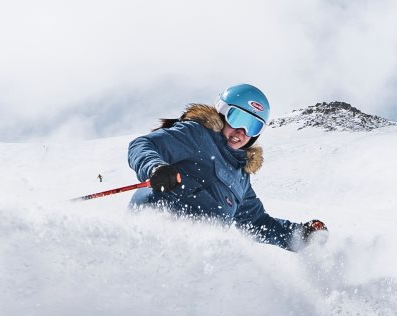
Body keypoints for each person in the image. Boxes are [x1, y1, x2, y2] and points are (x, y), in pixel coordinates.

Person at [127, 83, 327, 250]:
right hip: (154, 226)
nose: (241, 131)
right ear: (222, 113)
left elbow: (257, 223)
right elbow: (144, 145)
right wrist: (155, 168)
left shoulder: (241, 177)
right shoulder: (197, 134)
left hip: (194, 249)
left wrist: (300, 234)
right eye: (238, 119)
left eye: (253, 126)